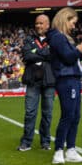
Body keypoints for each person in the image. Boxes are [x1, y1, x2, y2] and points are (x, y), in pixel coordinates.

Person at [46, 7, 82, 165]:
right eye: (72, 23)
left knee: (75, 115)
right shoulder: (57, 37)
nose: (74, 26)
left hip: (72, 77)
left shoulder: (63, 37)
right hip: (66, 78)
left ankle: (71, 149)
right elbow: (69, 57)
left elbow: (76, 57)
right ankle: (59, 150)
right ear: (64, 20)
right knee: (68, 115)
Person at [18, 14, 56, 152]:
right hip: (32, 80)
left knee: (47, 113)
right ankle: (26, 142)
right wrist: (44, 53)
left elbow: (53, 55)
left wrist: (36, 52)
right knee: (30, 112)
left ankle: (45, 141)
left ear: (47, 24)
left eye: (41, 23)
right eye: (36, 23)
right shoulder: (29, 39)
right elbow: (26, 55)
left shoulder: (54, 39)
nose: (38, 26)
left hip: (49, 80)